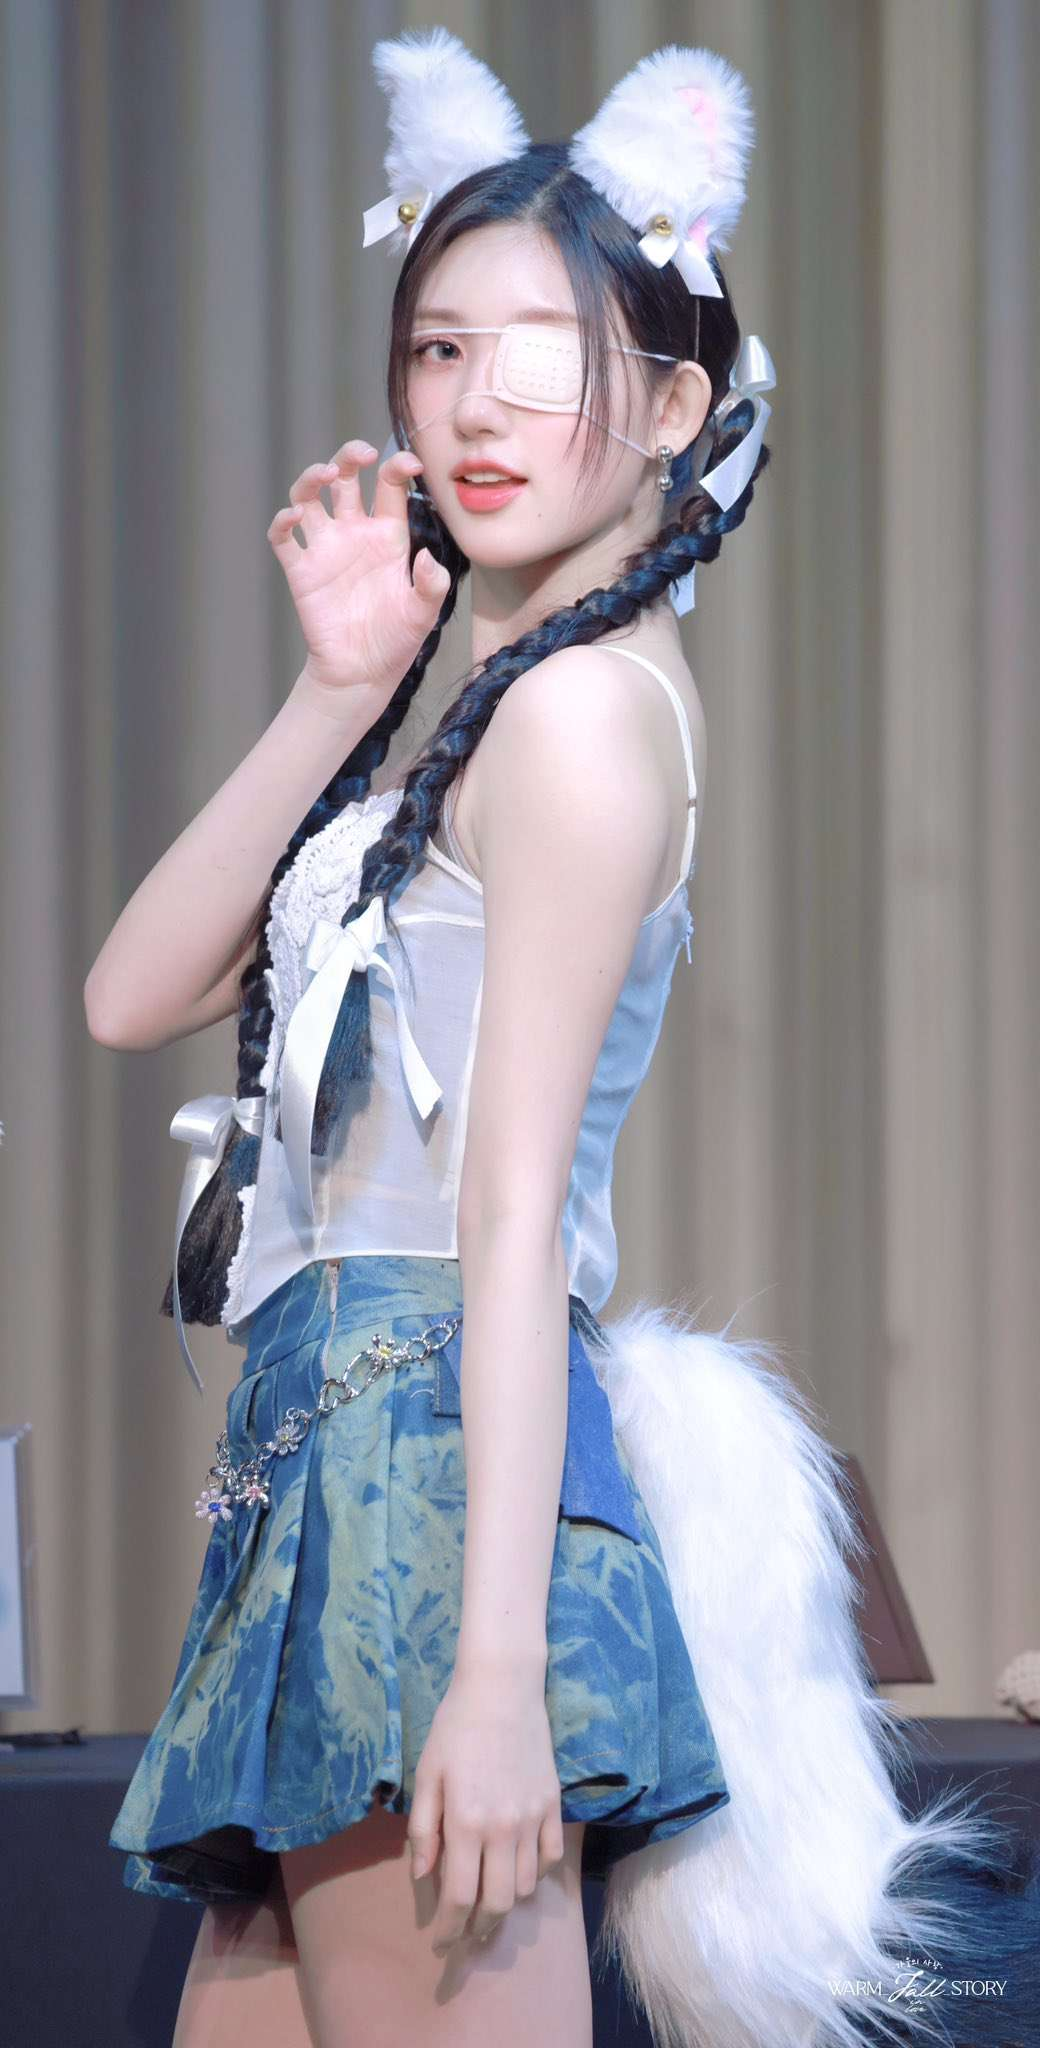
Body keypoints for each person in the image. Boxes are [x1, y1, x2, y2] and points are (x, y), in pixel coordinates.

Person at [91, 30, 1038, 2048]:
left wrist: (498, 1674)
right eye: (438, 348)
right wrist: (336, 690)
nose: (470, 404)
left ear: (676, 403)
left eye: (539, 354)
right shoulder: (487, 706)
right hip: (332, 1476)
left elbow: (512, 1222)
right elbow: (130, 993)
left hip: (435, 1493)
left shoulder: (585, 714)